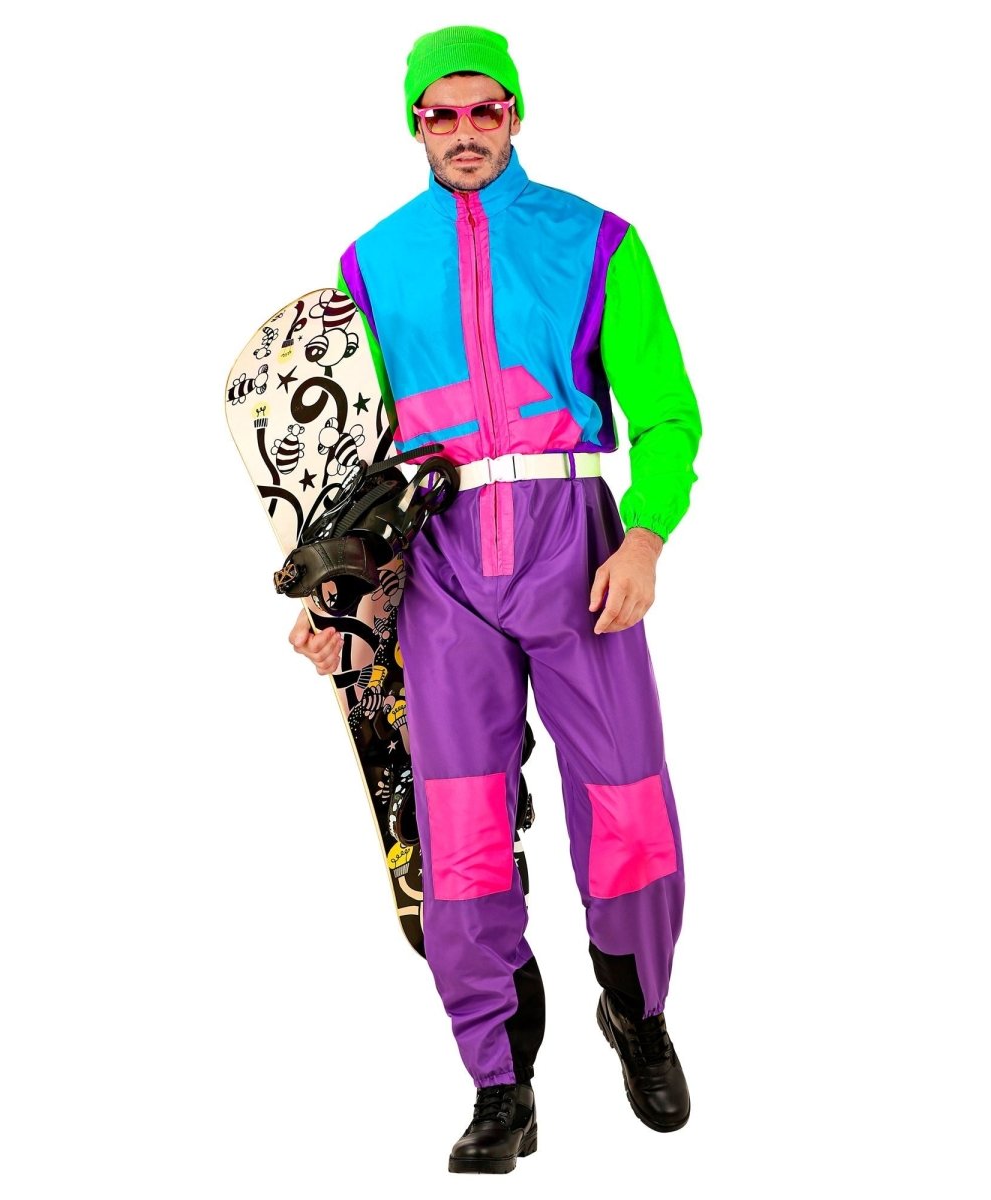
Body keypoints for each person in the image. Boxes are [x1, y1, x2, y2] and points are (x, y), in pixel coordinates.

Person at [289, 25, 702, 1174]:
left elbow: (668, 413)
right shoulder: (370, 265)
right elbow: (355, 456)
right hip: (440, 562)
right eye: (444, 113)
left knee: (626, 800)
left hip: (578, 546)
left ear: (516, 113)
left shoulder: (595, 239)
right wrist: (338, 595)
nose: (466, 131)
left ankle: (638, 1008)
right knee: (460, 826)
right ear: (414, 123)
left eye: (487, 109)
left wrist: (646, 536)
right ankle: (498, 1082)